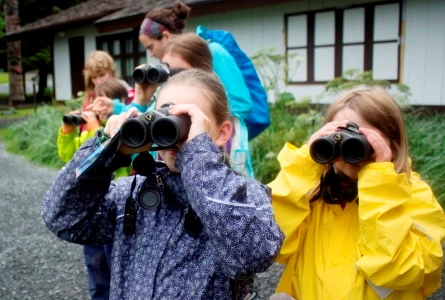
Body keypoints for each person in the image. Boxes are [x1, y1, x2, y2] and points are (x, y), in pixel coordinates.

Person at [41, 69, 284, 299]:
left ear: (222, 132)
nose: (169, 130)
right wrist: (104, 151)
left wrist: (197, 156)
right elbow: (62, 218)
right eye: (162, 117)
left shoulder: (244, 196)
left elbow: (254, 255)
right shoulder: (131, 193)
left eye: (185, 120)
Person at [268, 86, 445, 300]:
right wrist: (303, 166)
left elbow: (405, 271)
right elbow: (271, 243)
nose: (351, 151)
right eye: (339, 137)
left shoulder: (415, 197)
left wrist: (380, 185)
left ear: (393, 145)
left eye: (364, 140)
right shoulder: (311, 194)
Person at [89, 33, 254, 177]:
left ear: (202, 70)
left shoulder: (214, 114)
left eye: (177, 72)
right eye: (165, 70)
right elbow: (137, 145)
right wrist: (140, 100)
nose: (169, 77)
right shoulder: (162, 100)